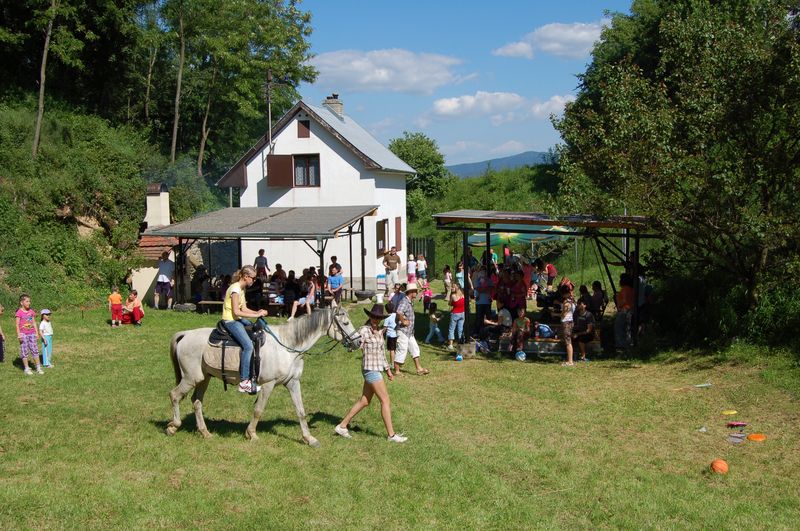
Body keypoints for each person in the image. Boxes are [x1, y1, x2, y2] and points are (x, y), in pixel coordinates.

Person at [334, 304, 407, 443]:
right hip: (370, 369)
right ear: (370, 316)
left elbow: (381, 353)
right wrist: (349, 346)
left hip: (377, 369)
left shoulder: (379, 331)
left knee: (365, 401)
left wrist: (388, 370)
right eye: (373, 317)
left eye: (378, 318)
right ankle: (391, 435)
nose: (375, 319)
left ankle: (342, 426)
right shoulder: (363, 330)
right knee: (385, 400)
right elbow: (354, 344)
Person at [222, 265, 268, 394]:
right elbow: (237, 312)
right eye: (253, 278)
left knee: (255, 328)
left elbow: (244, 309)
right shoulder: (235, 289)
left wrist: (257, 312)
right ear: (246, 277)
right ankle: (244, 382)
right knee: (248, 346)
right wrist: (256, 315)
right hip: (231, 321)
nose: (254, 280)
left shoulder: (241, 289)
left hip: (237, 319)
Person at [393, 283, 429, 375]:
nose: (417, 293)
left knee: (415, 349)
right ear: (411, 292)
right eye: (416, 291)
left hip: (409, 332)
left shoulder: (409, 301)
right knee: (402, 350)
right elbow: (399, 312)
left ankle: (419, 369)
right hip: (403, 331)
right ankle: (397, 371)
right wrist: (403, 321)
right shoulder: (404, 302)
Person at [16, 294, 45, 375]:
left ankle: (38, 367)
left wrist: (37, 332)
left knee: (35, 350)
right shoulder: (19, 312)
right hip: (23, 334)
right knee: (24, 351)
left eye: (29, 301)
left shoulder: (31, 311)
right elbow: (17, 325)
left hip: (32, 334)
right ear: (21, 303)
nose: (29, 303)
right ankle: (26, 368)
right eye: (27, 301)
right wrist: (19, 335)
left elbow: (34, 322)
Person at [615, 273, 635, 350]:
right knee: (628, 328)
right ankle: (628, 343)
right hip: (631, 309)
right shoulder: (631, 289)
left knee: (619, 327)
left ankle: (621, 345)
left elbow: (624, 300)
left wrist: (619, 304)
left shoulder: (624, 289)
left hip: (624, 310)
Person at [473, 265, 493, 336]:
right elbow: (478, 289)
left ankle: (488, 332)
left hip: (487, 302)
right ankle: (477, 332)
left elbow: (490, 289)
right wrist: (485, 289)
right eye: (482, 270)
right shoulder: (477, 280)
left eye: (484, 270)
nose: (483, 272)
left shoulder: (489, 280)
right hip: (479, 302)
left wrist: (482, 289)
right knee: (479, 318)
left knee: (488, 318)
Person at [446, 283, 465, 352]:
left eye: (453, 287)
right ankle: (460, 343)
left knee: (451, 329)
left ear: (457, 288)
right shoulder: (463, 295)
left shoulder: (453, 296)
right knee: (460, 329)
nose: (452, 288)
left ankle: (450, 345)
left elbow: (449, 303)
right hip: (462, 313)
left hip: (455, 314)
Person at [560, 285, 576, 366]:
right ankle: (569, 360)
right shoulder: (572, 301)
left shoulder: (566, 303)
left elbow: (563, 314)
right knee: (569, 341)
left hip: (566, 322)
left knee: (568, 342)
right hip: (571, 321)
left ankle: (570, 361)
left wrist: (555, 314)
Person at [384, 302, 398, 369]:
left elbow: (385, 327)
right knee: (395, 349)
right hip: (396, 334)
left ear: (386, 310)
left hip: (390, 335)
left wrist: (380, 333)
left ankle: (392, 364)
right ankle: (396, 362)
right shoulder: (396, 315)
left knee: (391, 350)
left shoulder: (387, 317)